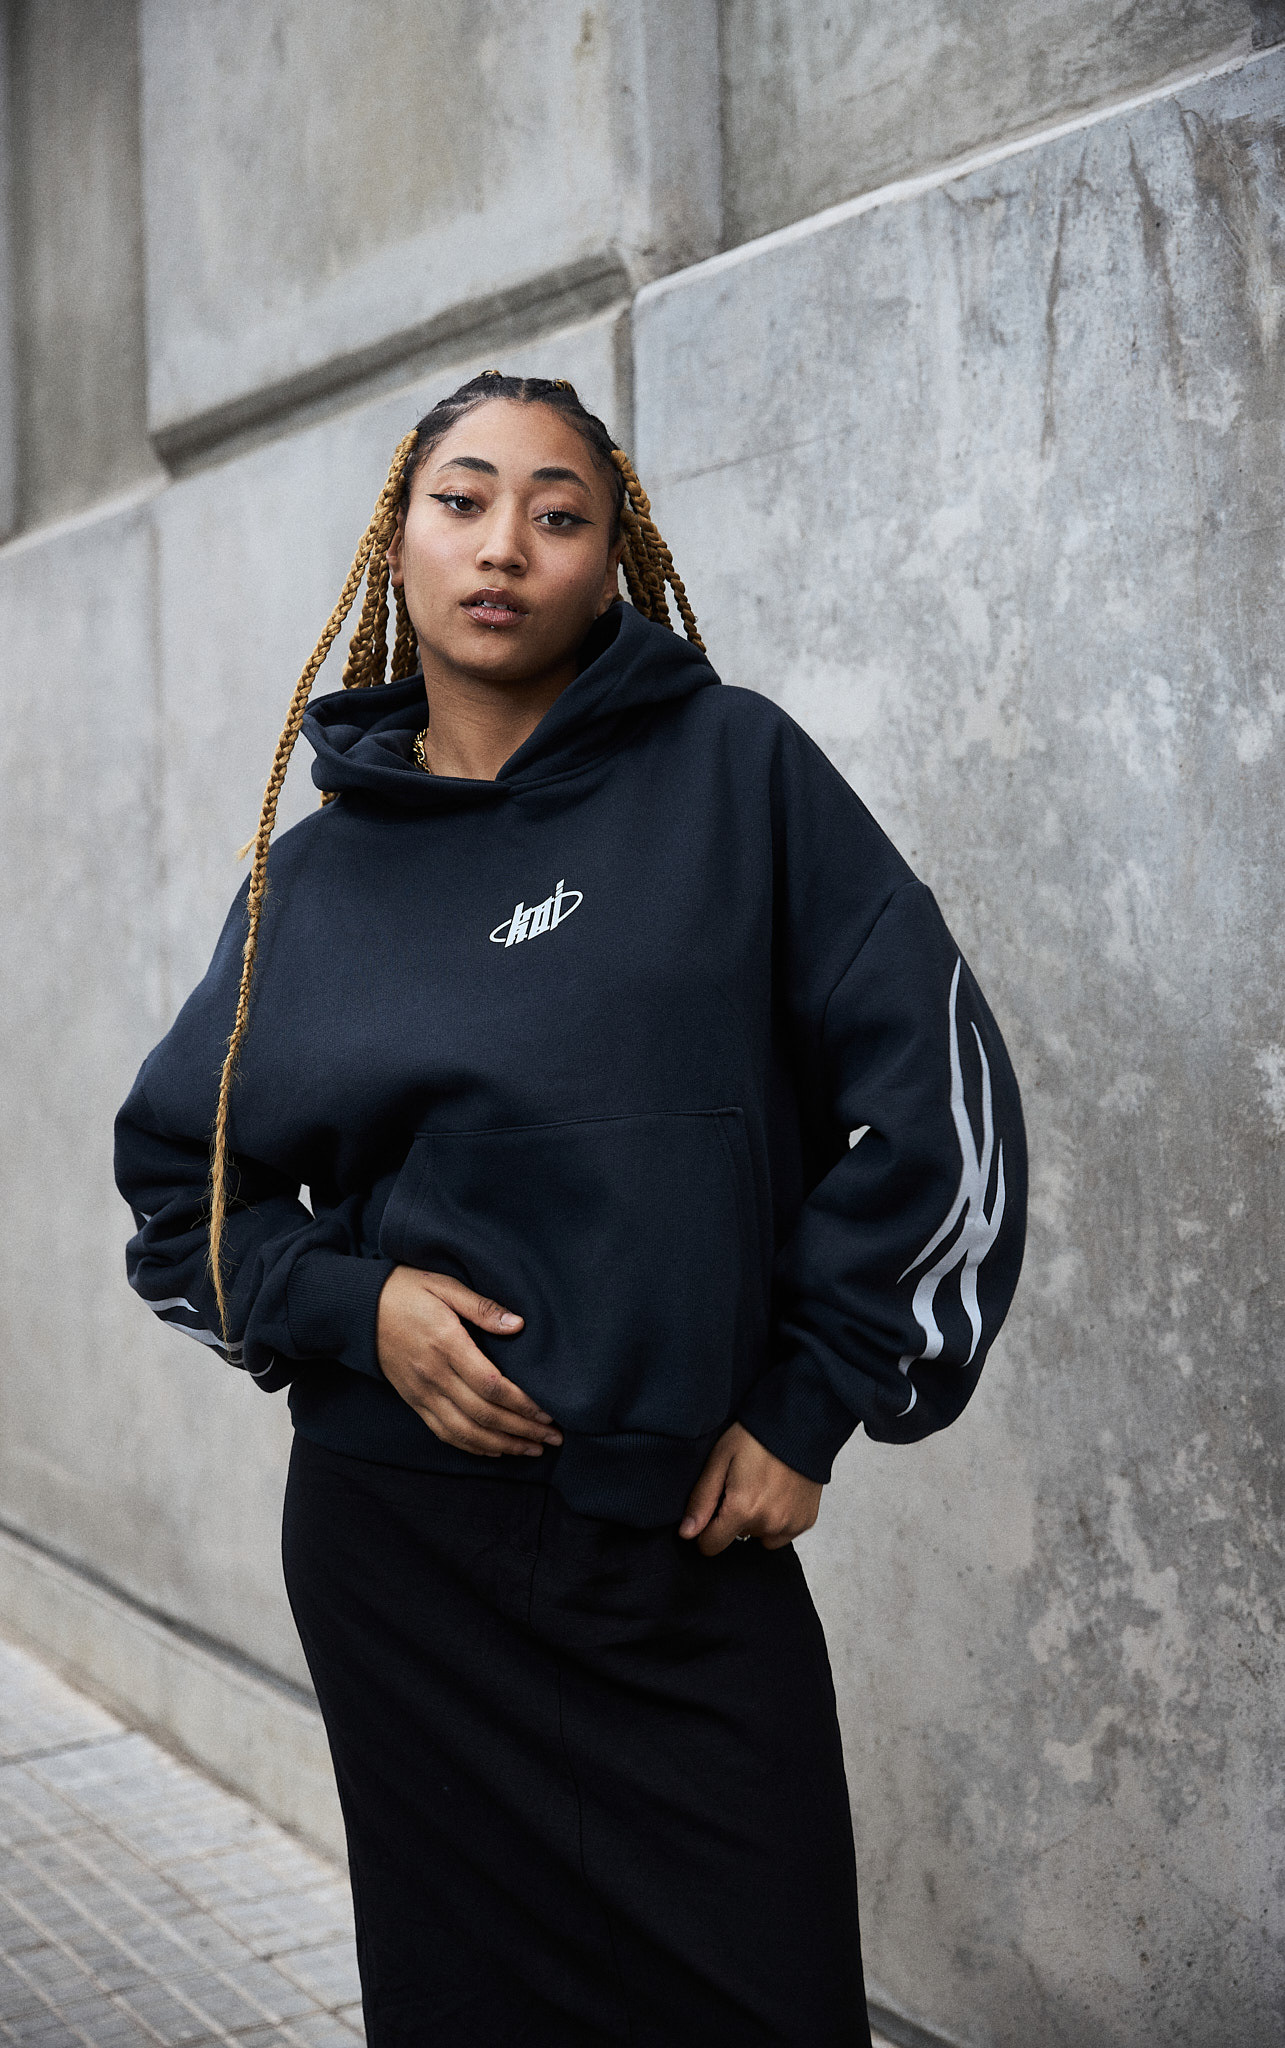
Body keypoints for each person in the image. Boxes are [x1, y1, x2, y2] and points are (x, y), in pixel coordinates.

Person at [114, 371, 1026, 2047]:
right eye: (461, 502)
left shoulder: (734, 774)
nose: (503, 547)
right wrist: (355, 1305)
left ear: (612, 563)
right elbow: (181, 1195)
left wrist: (813, 1401)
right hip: (403, 1558)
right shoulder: (314, 880)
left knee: (766, 2001)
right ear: (396, 544)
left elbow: (941, 1098)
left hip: (681, 1543)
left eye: (558, 513)